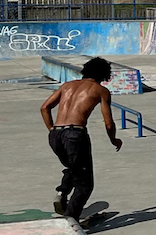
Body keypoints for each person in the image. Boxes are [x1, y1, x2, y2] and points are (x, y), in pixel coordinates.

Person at [39, 57, 121, 223]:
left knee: (74, 166)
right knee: (85, 185)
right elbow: (108, 122)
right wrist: (114, 139)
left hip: (55, 134)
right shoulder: (100, 90)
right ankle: (71, 221)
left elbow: (44, 107)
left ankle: (62, 193)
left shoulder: (67, 86)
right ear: (105, 74)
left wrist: (53, 131)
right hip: (75, 135)